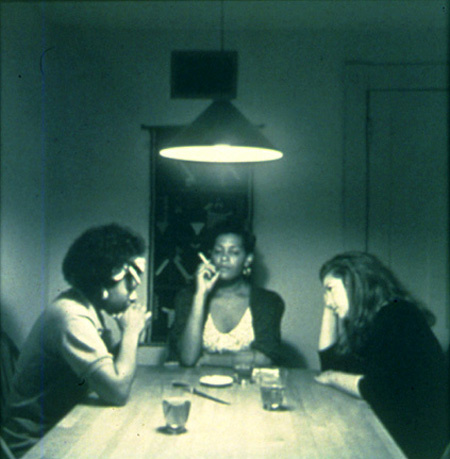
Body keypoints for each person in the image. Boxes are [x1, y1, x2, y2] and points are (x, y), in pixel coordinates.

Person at [2, 223, 151, 458]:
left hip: (59, 428)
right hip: (33, 445)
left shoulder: (83, 306)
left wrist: (129, 335)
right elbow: (117, 391)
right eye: (130, 284)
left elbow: (109, 374)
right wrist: (131, 333)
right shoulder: (71, 316)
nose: (133, 295)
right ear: (106, 279)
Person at [314, 251, 448, 459]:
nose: (328, 300)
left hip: (417, 445)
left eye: (331, 289)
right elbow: (330, 364)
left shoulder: (398, 315)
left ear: (354, 282)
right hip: (399, 431)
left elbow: (376, 388)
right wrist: (329, 307)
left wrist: (334, 378)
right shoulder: (375, 319)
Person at [170, 220, 284, 368]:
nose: (224, 258)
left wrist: (207, 360)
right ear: (210, 257)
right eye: (218, 251)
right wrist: (200, 295)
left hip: (248, 388)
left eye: (234, 252)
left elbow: (265, 359)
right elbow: (188, 359)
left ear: (248, 259)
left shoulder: (268, 301)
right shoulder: (186, 298)